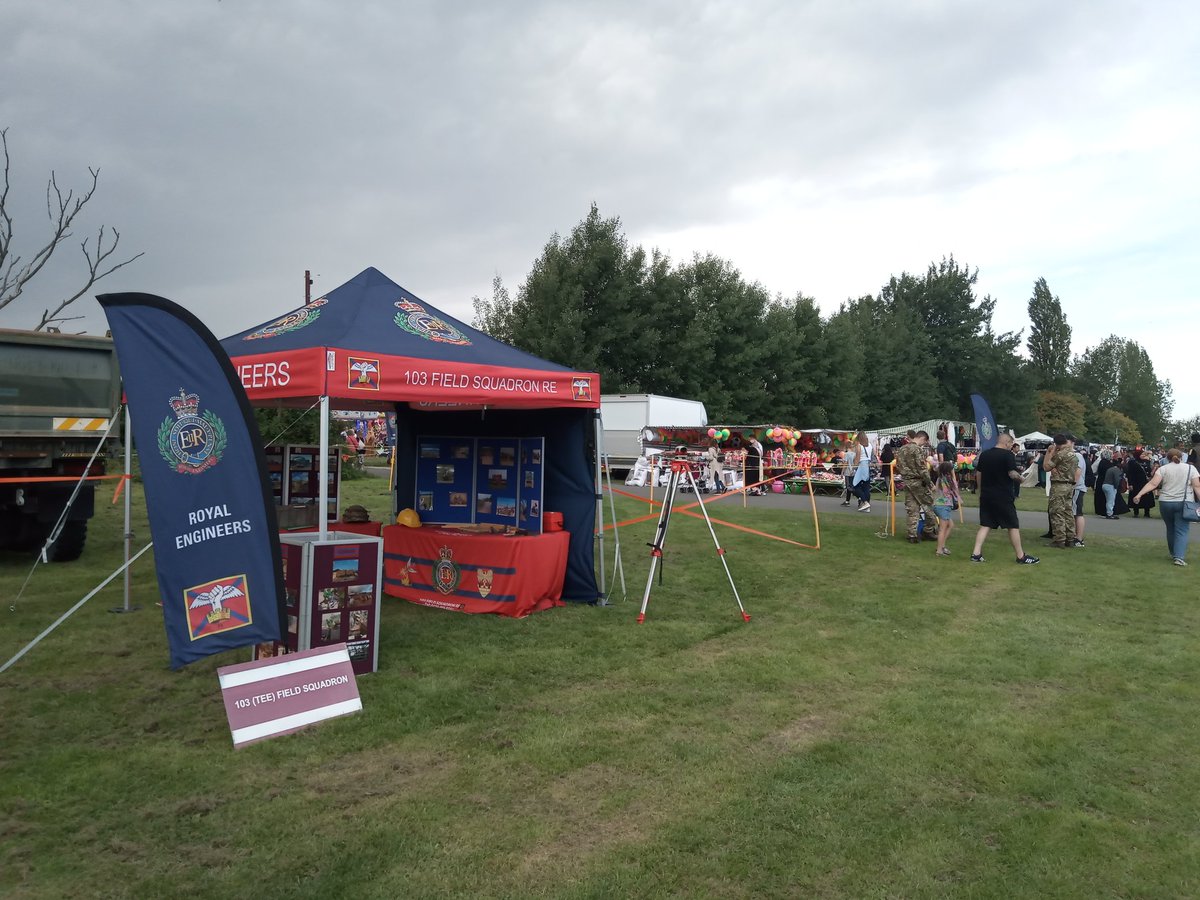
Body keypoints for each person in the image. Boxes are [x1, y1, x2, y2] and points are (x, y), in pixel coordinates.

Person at [970, 432, 1039, 564]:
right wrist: (1022, 479)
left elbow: (979, 474)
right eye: (1011, 444)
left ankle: (976, 553)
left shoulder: (985, 454)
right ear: (1007, 442)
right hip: (1003, 495)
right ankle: (1020, 556)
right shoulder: (1008, 455)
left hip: (986, 495)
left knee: (986, 524)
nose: (1011, 447)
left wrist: (980, 491)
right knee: (1012, 525)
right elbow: (1012, 473)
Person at [1131, 448, 1200, 566]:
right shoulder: (1190, 469)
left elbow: (1153, 484)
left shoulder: (1163, 469)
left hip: (1165, 502)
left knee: (1170, 528)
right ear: (1181, 457)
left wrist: (1139, 494)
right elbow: (1196, 486)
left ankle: (1173, 553)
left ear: (1167, 457)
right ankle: (1179, 557)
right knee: (1182, 530)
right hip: (1183, 502)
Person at [894, 430, 935, 543]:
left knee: (912, 509)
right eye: (924, 442)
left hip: (907, 482)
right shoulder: (917, 450)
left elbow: (898, 465)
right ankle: (928, 530)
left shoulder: (902, 449)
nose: (924, 445)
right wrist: (930, 483)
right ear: (922, 438)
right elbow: (922, 469)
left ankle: (912, 535)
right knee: (929, 507)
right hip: (919, 482)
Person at [1042, 433, 1078, 549]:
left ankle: (1059, 539)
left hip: (1059, 485)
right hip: (1069, 485)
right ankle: (1070, 538)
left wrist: (1051, 453)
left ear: (1056, 443)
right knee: (1068, 512)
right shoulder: (1073, 454)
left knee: (1056, 512)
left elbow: (1046, 467)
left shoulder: (1060, 454)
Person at [931, 461, 960, 557]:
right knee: (942, 529)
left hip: (939, 505)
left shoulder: (940, 478)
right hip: (943, 506)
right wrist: (953, 476)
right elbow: (955, 489)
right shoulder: (947, 480)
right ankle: (939, 550)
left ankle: (942, 545)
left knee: (950, 525)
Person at [1126, 448, 1155, 519]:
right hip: (1136, 482)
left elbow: (1149, 471)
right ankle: (1136, 512)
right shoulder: (1132, 462)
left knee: (1147, 497)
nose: (1143, 455)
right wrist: (1130, 484)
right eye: (1142, 454)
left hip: (1145, 482)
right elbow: (1130, 474)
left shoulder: (1147, 462)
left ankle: (1147, 513)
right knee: (1136, 495)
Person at [852, 430, 874, 512]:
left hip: (862, 465)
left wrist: (853, 467)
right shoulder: (870, 445)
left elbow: (857, 459)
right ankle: (867, 506)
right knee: (866, 487)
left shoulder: (859, 446)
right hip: (868, 465)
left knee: (855, 485)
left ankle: (865, 502)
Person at [1072, 442, 1087, 548]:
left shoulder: (1077, 456)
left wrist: (1071, 486)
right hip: (1075, 488)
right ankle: (1074, 536)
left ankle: (1079, 538)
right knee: (1073, 513)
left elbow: (1077, 473)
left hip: (1077, 488)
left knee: (1077, 513)